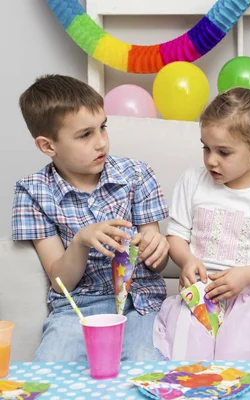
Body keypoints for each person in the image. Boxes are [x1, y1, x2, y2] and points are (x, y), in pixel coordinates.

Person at [12, 75, 170, 361]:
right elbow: (61, 284)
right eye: (85, 135)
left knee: (147, 366)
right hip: (76, 310)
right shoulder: (32, 192)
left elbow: (157, 259)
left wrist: (157, 246)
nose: (101, 143)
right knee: (51, 368)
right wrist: (81, 242)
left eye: (103, 128)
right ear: (48, 146)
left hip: (140, 304)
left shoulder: (136, 175)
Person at [153, 85, 250, 361]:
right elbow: (176, 237)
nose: (211, 160)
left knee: (241, 367)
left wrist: (244, 276)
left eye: (223, 152)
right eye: (206, 148)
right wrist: (187, 260)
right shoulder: (192, 181)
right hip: (199, 299)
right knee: (190, 368)